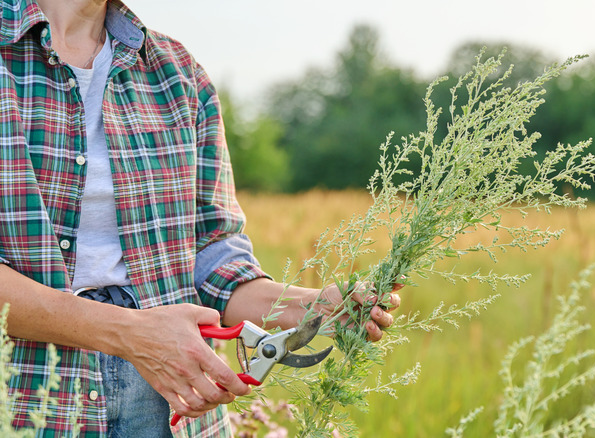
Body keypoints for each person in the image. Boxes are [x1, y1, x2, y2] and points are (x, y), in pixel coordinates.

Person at [0, 0, 401, 436]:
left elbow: (211, 251)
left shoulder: (178, 73)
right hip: (26, 396)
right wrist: (129, 333)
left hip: (170, 402)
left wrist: (309, 307)